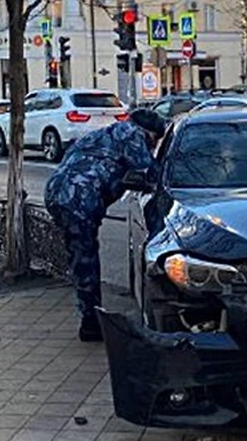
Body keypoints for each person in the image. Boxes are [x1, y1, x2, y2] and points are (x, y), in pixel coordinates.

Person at [43, 109, 167, 342]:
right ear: (148, 132)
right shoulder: (131, 133)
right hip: (79, 197)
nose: (152, 145)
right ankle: (91, 323)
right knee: (85, 259)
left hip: (56, 191)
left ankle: (90, 315)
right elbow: (150, 173)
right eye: (154, 140)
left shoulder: (103, 134)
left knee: (80, 255)